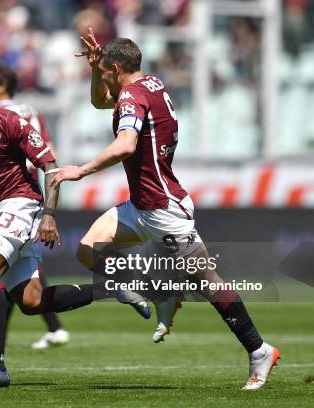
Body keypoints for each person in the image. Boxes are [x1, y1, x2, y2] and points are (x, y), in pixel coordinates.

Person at [51, 30, 280, 390]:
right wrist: (96, 71)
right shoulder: (150, 84)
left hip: (162, 210)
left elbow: (126, 145)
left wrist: (80, 170)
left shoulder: (131, 97)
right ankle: (150, 290)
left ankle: (259, 350)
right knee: (88, 248)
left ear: (116, 67)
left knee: (207, 283)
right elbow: (101, 102)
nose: (106, 81)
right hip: (142, 204)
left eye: (106, 71)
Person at [0, 66, 148, 388]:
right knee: (32, 302)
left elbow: (50, 166)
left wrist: (49, 213)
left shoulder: (7, 121)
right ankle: (110, 288)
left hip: (23, 204)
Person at [0, 63, 69, 350]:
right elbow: (48, 151)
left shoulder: (1, 116)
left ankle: (0, 344)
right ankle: (44, 326)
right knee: (17, 266)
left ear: (1, 85)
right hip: (35, 188)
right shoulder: (32, 111)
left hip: (15, 192)